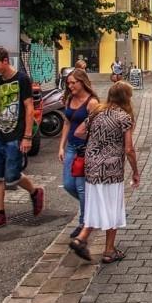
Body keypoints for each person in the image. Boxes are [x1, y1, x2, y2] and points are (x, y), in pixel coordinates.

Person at [69, 82, 139, 263]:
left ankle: (81, 238)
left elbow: (78, 132)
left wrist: (96, 140)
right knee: (112, 208)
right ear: (126, 97)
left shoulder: (96, 113)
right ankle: (109, 251)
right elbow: (129, 149)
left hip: (92, 167)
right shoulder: (124, 117)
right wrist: (135, 172)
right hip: (111, 169)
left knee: (95, 205)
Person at [0, 47, 45, 232]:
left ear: (5, 60)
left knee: (12, 176)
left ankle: (35, 191)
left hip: (17, 134)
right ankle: (0, 215)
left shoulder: (22, 79)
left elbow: (29, 108)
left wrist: (27, 137)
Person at [58, 69, 99, 238]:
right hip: (71, 148)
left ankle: (84, 222)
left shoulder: (92, 102)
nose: (70, 86)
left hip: (85, 150)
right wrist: (61, 146)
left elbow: (97, 128)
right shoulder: (69, 99)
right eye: (68, 83)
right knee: (68, 184)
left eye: (73, 82)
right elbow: (67, 123)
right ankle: (93, 207)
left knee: (82, 188)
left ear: (82, 82)